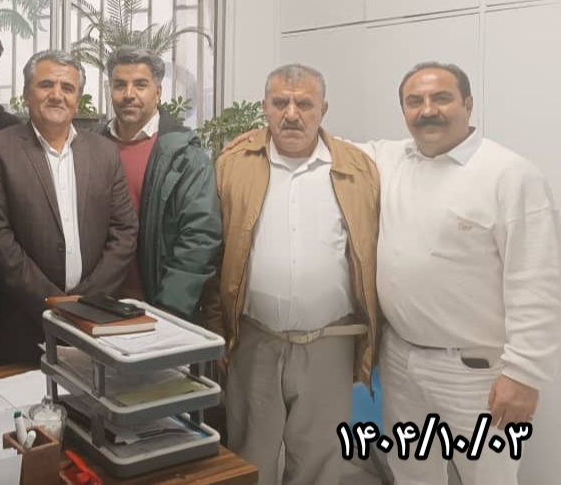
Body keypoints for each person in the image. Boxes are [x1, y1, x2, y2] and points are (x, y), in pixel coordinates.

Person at [364, 62, 561, 484]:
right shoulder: (391, 159)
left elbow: (537, 282)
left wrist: (524, 375)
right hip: (399, 359)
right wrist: (257, 139)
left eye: (441, 98)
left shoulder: (511, 175)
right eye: (414, 101)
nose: (427, 110)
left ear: (468, 104)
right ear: (403, 110)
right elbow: (322, 145)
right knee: (411, 475)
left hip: (476, 374)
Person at [202, 64, 381, 485]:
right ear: (264, 107)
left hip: (330, 344)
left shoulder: (360, 169)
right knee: (249, 458)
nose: (292, 114)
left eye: (304, 104)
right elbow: (214, 251)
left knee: (319, 461)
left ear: (324, 109)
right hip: (253, 340)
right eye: (280, 102)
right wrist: (215, 325)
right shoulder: (232, 164)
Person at [0, 50, 138, 365]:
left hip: (95, 320)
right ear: (26, 93)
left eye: (67, 88)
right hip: (23, 322)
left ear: (77, 99)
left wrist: (85, 302)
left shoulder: (104, 152)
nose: (57, 95)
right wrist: (53, 302)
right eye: (46, 85)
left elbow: (124, 230)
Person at [97, 46, 221, 321]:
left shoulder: (185, 156)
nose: (129, 94)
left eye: (140, 85)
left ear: (158, 92)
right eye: (120, 85)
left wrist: (168, 312)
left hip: (161, 311)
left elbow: (199, 236)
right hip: (97, 308)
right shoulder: (90, 146)